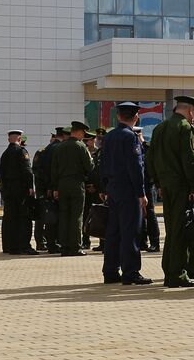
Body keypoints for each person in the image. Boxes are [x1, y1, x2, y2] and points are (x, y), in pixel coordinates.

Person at [148, 96, 194, 287]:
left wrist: (158, 183)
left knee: (172, 230)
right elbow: (190, 160)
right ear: (190, 111)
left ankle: (169, 271)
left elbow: (150, 159)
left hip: (166, 185)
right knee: (180, 231)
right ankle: (177, 274)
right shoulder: (184, 128)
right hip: (181, 186)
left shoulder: (159, 129)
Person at [100, 102, 151, 285]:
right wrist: (141, 193)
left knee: (113, 231)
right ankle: (131, 271)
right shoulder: (130, 137)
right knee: (130, 231)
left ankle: (110, 271)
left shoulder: (110, 136)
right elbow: (136, 167)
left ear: (118, 116)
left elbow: (103, 164)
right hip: (129, 190)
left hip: (113, 188)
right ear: (136, 116)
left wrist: (104, 188)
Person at [51, 121, 94, 256]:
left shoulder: (59, 147)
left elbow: (54, 169)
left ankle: (64, 247)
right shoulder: (81, 147)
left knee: (64, 215)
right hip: (76, 184)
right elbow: (89, 167)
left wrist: (55, 188)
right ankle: (75, 247)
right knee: (76, 216)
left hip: (62, 185)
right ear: (79, 132)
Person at [0, 130, 35, 254]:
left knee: (9, 218)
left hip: (8, 190)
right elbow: (27, 171)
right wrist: (30, 187)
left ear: (9, 139)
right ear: (20, 139)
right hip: (20, 190)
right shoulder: (22, 152)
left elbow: (2, 174)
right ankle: (24, 246)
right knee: (23, 218)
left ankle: (10, 246)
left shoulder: (4, 154)